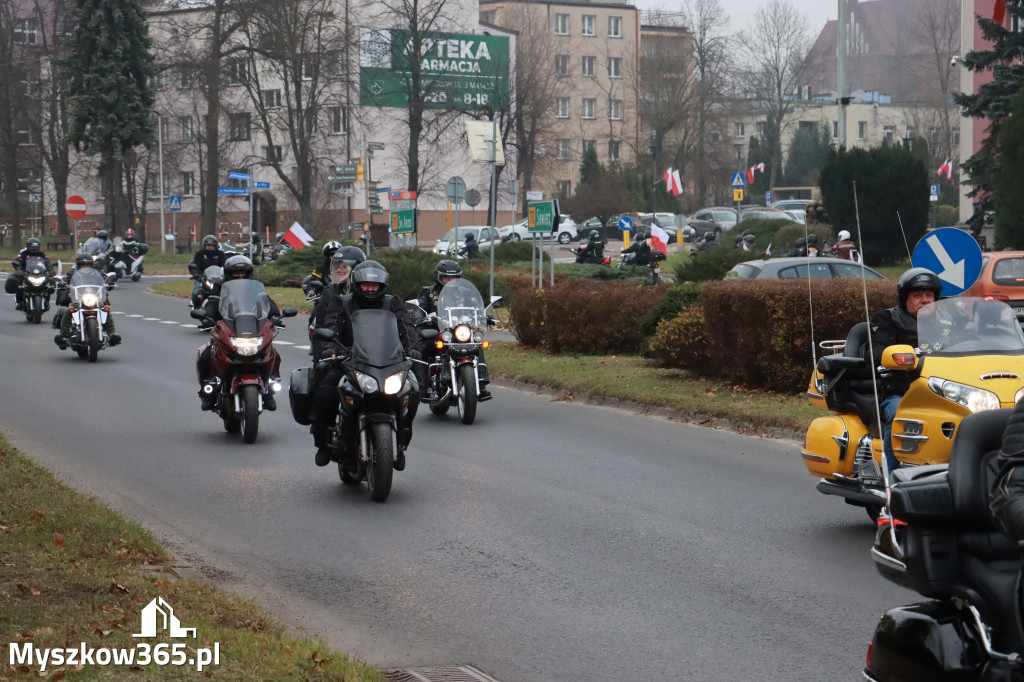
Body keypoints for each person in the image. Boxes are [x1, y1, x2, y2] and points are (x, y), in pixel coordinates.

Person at [311, 260, 419, 470]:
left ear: (382, 286)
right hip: (349, 361)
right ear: (357, 285)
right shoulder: (341, 303)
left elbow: (406, 327)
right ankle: (322, 444)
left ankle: (400, 443)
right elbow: (331, 327)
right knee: (326, 392)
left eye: (375, 285)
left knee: (412, 390)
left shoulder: (393, 303)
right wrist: (329, 349)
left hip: (387, 362)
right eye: (366, 285)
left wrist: (413, 347)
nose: (370, 289)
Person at [869, 267, 943, 474]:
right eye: (917, 295)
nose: (925, 300)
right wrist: (901, 358)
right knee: (898, 414)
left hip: (942, 391)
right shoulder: (887, 319)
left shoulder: (947, 322)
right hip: (900, 392)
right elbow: (876, 354)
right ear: (904, 298)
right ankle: (891, 478)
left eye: (929, 295)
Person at [195, 255, 282, 411]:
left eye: (243, 273)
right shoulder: (219, 287)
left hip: (251, 328)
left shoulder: (255, 288)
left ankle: (269, 391)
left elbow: (267, 302)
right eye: (236, 273)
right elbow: (213, 303)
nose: (240, 275)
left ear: (248, 273)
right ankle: (207, 392)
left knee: (273, 354)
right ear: (228, 273)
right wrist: (207, 317)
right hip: (227, 328)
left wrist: (275, 315)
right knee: (206, 356)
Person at [414, 260, 492, 400]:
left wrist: (485, 315)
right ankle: (423, 386)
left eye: (454, 278)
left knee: (477, 345)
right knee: (423, 347)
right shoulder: (429, 292)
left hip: (461, 330)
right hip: (438, 331)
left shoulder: (465, 292)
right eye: (447, 277)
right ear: (439, 277)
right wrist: (419, 317)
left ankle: (481, 382)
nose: (450, 280)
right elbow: (419, 308)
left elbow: (476, 306)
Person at [53, 250, 120, 348]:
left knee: (105, 309)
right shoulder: (72, 274)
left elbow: (105, 278)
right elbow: (65, 279)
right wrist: (61, 282)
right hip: (78, 299)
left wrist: (109, 281)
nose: (85, 267)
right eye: (83, 265)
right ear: (78, 266)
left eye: (87, 265)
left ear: (91, 265)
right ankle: (64, 335)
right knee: (69, 311)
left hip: (94, 298)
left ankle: (111, 334)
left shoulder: (97, 274)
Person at [308, 245, 366, 359]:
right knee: (327, 374)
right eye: (337, 266)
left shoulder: (368, 291)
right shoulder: (330, 293)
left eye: (344, 266)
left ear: (356, 267)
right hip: (339, 352)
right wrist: (326, 352)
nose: (339, 269)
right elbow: (322, 325)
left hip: (368, 350)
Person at [9, 238, 52, 310]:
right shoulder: (24, 254)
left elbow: (47, 262)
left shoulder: (41, 254)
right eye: (32, 247)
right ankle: (19, 302)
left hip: (39, 273)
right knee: (19, 285)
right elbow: (18, 261)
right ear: (28, 246)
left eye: (36, 247)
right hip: (26, 273)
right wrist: (19, 269)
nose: (34, 249)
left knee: (50, 286)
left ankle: (46, 301)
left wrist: (50, 269)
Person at [188, 235, 229, 307]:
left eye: (211, 245)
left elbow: (225, 265)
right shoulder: (199, 254)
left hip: (218, 279)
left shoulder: (220, 254)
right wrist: (196, 273)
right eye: (208, 245)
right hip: (202, 278)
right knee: (196, 293)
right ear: (204, 246)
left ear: (215, 246)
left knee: (227, 293)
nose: (209, 247)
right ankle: (196, 307)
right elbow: (195, 265)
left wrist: (226, 273)